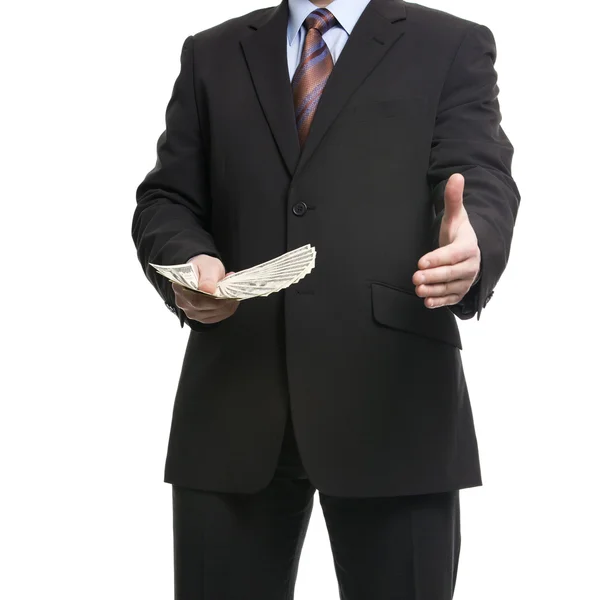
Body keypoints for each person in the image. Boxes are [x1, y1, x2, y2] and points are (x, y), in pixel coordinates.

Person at [131, 0, 520, 597]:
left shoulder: (451, 44)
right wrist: (188, 263)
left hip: (394, 402)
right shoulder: (210, 52)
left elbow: (481, 175)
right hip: (232, 407)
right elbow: (167, 199)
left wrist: (475, 245)